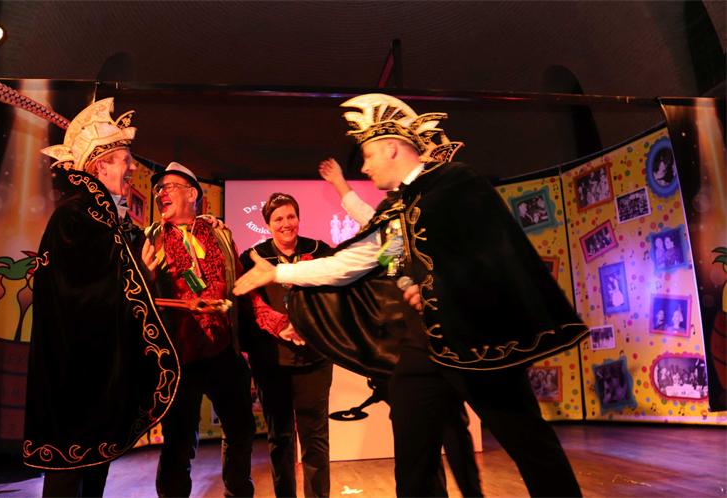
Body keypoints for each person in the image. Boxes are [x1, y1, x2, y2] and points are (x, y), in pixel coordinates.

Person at [235, 93, 588, 497]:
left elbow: (491, 252)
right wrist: (279, 272)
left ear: (391, 148)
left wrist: (442, 286)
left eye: (368, 155)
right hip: (423, 349)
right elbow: (358, 261)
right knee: (414, 456)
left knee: (528, 441)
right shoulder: (395, 210)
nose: (365, 166)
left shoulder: (456, 184)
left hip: (476, 341)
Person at [23, 98, 180, 497]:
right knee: (69, 473)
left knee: (94, 468)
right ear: (99, 167)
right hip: (74, 374)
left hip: (97, 370)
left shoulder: (106, 219)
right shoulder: (75, 217)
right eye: (125, 160)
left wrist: (141, 274)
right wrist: (137, 273)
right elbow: (74, 295)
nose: (132, 168)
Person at [319, 157, 482, 497]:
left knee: (452, 428)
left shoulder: (435, 215)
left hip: (443, 343)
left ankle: (471, 493)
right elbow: (383, 241)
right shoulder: (392, 226)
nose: (368, 166)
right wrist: (407, 282)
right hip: (407, 349)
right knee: (417, 436)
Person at [141, 162, 289, 497]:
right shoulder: (151, 238)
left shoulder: (220, 235)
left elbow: (241, 289)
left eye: (169, 187)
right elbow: (139, 299)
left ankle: (238, 493)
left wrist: (275, 321)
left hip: (223, 351)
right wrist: (148, 281)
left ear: (192, 193)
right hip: (179, 359)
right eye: (158, 189)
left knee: (240, 431)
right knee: (179, 442)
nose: (161, 193)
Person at [240, 192, 334, 498]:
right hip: (271, 363)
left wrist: (307, 324)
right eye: (278, 218)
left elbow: (333, 297)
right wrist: (279, 325)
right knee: (279, 438)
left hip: (314, 360)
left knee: (315, 439)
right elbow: (249, 304)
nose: (286, 224)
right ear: (268, 224)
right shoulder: (252, 258)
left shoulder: (319, 251)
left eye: (291, 216)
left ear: (299, 218)